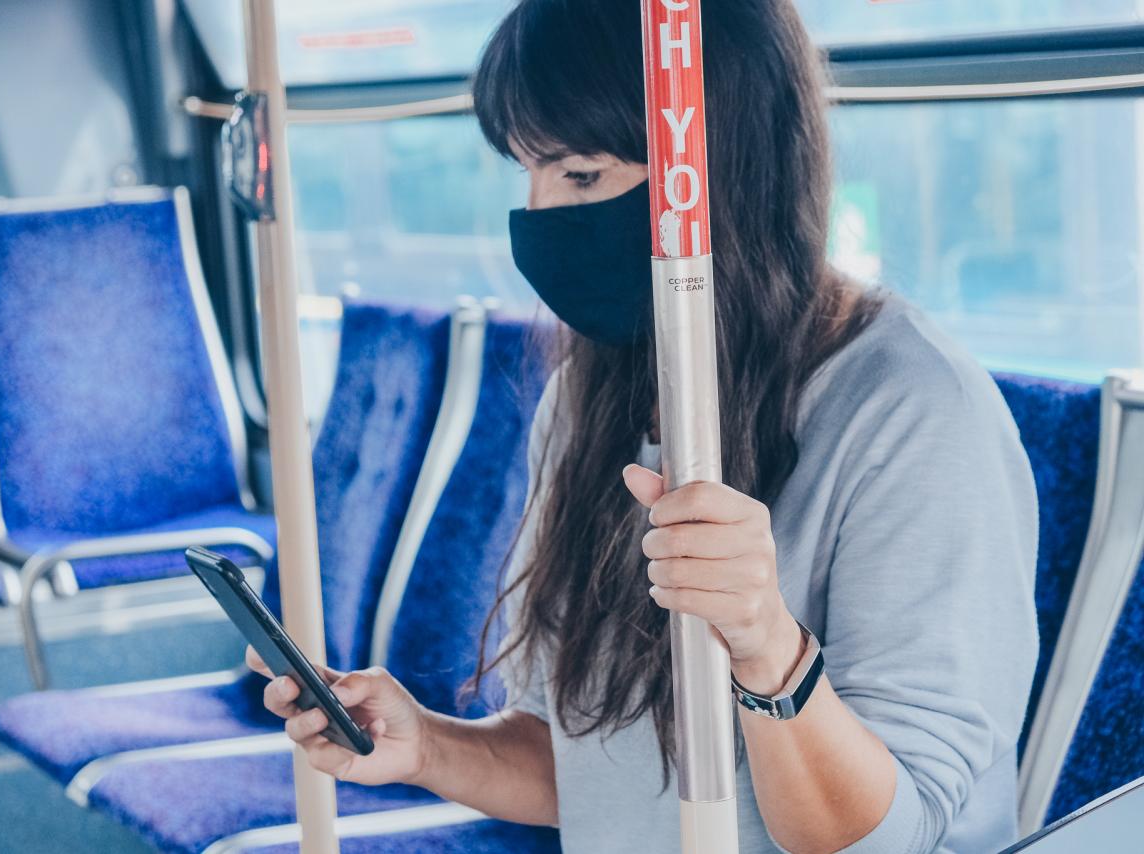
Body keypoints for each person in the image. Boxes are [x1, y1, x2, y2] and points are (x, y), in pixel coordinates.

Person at [248, 0, 1039, 851]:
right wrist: (426, 744)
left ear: (720, 168)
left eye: (581, 177)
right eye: (530, 174)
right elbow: (587, 770)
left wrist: (764, 643)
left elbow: (894, 835)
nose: (542, 215)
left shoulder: (913, 416)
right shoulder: (589, 401)